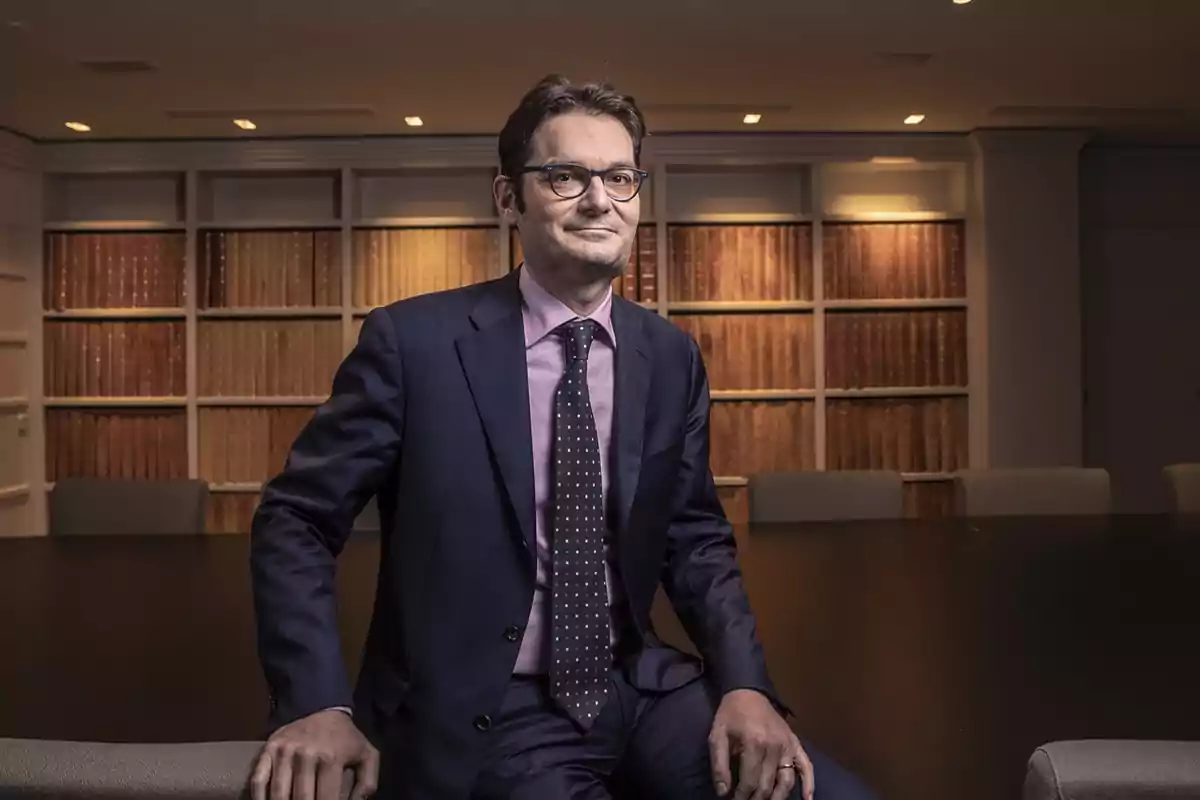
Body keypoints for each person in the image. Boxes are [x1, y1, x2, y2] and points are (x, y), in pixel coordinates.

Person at [247, 74, 877, 800]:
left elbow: (695, 537)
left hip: (638, 687)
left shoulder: (668, 357)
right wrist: (318, 701)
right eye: (566, 176)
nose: (599, 200)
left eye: (619, 177)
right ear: (508, 198)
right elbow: (296, 518)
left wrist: (745, 686)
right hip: (487, 707)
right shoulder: (412, 343)